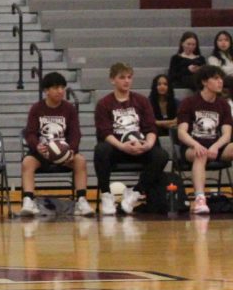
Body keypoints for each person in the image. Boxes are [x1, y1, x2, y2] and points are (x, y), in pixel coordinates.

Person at [93, 63, 170, 215]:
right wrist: (122, 146)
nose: (126, 81)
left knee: (161, 155)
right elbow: (104, 132)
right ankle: (106, 195)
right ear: (112, 80)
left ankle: (135, 193)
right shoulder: (104, 103)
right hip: (117, 148)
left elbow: (151, 128)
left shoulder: (141, 101)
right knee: (101, 149)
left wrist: (148, 145)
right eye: (122, 77)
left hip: (139, 147)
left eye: (129, 77)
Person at [19, 72, 91, 217]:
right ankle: (28, 200)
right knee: (27, 162)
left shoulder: (69, 109)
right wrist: (37, 146)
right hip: (43, 151)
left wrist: (71, 150)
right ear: (46, 90)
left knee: (80, 161)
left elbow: (75, 133)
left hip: (64, 152)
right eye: (56, 88)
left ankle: (81, 200)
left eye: (62, 87)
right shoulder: (37, 108)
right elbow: (30, 133)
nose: (60, 91)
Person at [176, 64, 233, 216]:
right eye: (215, 78)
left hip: (216, 146)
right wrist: (196, 144)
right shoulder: (189, 102)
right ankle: (200, 198)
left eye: (221, 78)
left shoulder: (223, 104)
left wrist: (216, 146)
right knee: (200, 154)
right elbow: (182, 133)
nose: (220, 82)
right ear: (204, 82)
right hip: (193, 146)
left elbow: (227, 134)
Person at [149, 74, 178, 141]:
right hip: (157, 129)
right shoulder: (148, 102)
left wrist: (160, 123)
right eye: (159, 84)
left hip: (173, 128)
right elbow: (151, 121)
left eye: (165, 84)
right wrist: (170, 123)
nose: (162, 87)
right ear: (155, 87)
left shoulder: (176, 102)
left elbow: (179, 120)